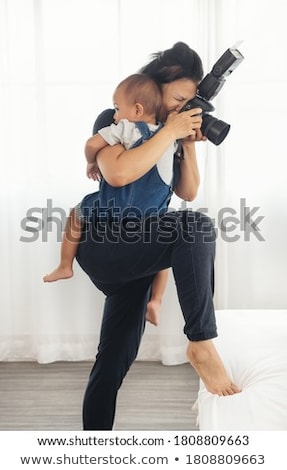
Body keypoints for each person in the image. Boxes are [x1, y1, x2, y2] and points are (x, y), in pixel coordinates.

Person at [75, 41, 241, 430]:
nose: (183, 106)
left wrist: (185, 142)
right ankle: (201, 342)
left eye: (190, 100)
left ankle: (92, 446)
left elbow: (187, 192)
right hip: (104, 242)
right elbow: (117, 174)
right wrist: (169, 132)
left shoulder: (173, 128)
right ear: (156, 88)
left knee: (114, 359)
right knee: (196, 225)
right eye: (178, 97)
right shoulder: (117, 119)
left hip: (138, 255)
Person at [43, 73, 171, 326]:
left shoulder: (126, 128)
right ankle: (156, 300)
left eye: (116, 108)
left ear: (137, 109)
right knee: (164, 253)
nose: (114, 115)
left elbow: (91, 144)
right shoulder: (169, 138)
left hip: (119, 209)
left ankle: (64, 264)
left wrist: (91, 159)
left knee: (77, 212)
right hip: (153, 214)